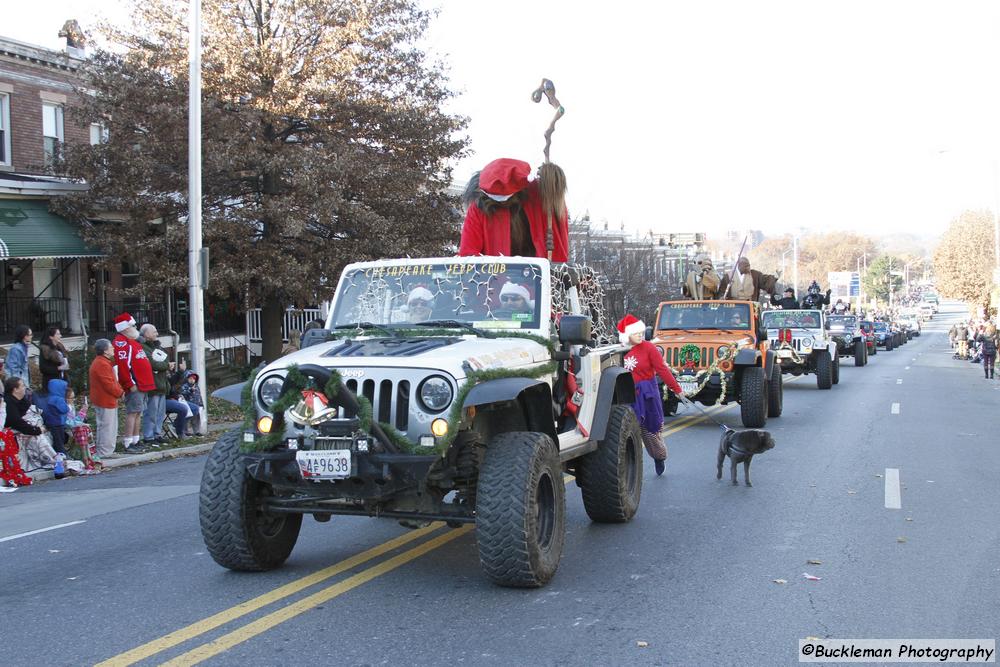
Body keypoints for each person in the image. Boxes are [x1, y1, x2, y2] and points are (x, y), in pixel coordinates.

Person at [458, 158, 569, 261]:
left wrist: (551, 177)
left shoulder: (538, 196)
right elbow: (469, 254)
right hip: (496, 277)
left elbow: (556, 209)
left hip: (538, 272)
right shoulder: (479, 207)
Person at [617, 314, 684, 477]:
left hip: (647, 395)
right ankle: (627, 466)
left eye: (641, 332)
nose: (640, 335)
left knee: (650, 430)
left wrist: (676, 389)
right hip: (627, 395)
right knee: (627, 431)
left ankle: (658, 456)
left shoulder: (649, 348)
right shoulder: (619, 350)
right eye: (636, 333)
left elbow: (662, 369)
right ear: (627, 335)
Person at [112, 313, 155, 453]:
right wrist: (129, 383)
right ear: (125, 328)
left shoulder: (134, 342)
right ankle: (128, 442)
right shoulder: (121, 342)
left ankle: (136, 440)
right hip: (135, 384)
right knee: (132, 413)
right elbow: (123, 365)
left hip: (142, 384)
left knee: (138, 413)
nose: (135, 328)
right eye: (132, 325)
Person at [89, 338, 123, 459]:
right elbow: (109, 383)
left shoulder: (102, 362)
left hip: (105, 398)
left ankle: (107, 449)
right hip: (105, 399)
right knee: (107, 425)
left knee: (108, 425)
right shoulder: (102, 364)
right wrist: (120, 392)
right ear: (105, 351)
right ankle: (105, 451)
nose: (113, 349)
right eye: (111, 347)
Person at [140, 323, 171, 447]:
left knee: (160, 413)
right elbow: (153, 364)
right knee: (151, 413)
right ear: (146, 334)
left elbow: (166, 359)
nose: (157, 334)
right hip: (152, 385)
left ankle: (157, 434)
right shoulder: (143, 348)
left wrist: (164, 364)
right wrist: (166, 366)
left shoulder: (157, 347)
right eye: (154, 332)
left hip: (162, 384)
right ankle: (148, 436)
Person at [41, 378, 70, 455]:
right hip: (58, 423)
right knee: (60, 440)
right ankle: (61, 454)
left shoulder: (50, 397)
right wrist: (68, 406)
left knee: (56, 439)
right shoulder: (59, 399)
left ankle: (57, 453)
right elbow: (64, 409)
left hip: (51, 422)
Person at [38, 326, 70, 391]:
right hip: (51, 382)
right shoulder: (45, 350)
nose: (60, 336)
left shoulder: (60, 347)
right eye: (58, 334)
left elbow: (64, 361)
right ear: (51, 337)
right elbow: (43, 368)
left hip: (62, 379)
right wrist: (59, 368)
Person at [178, 369, 205, 436]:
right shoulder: (185, 386)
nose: (192, 380)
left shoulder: (196, 386)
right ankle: (186, 431)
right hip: (189, 405)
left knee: (196, 419)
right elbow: (183, 393)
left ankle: (196, 431)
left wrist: (201, 404)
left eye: (194, 379)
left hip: (197, 404)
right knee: (187, 418)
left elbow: (199, 395)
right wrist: (190, 390)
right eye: (190, 378)